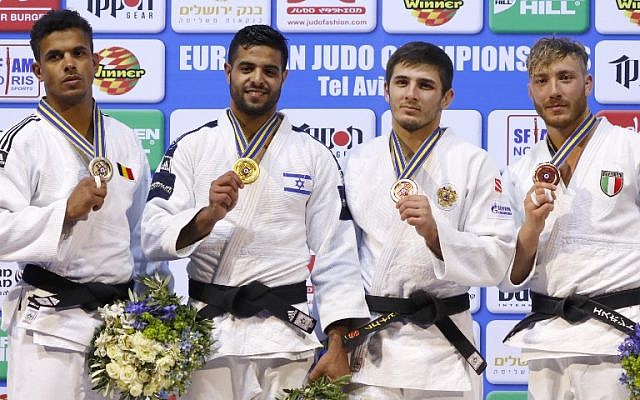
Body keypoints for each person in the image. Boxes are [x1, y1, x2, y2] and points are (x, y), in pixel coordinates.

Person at [141, 24, 370, 400]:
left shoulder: (313, 155)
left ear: (284, 77)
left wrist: (337, 341)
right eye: (247, 68)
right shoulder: (191, 147)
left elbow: (336, 253)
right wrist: (207, 217)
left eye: (269, 70)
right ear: (228, 70)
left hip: (284, 337)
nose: (257, 79)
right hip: (207, 338)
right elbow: (152, 234)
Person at [0, 9, 162, 399]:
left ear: (95, 61)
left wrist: (156, 308)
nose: (69, 63)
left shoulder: (124, 140)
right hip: (49, 326)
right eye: (55, 57)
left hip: (121, 331)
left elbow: (140, 234)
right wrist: (63, 213)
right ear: (38, 71)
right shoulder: (22, 141)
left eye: (78, 53)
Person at [342, 41, 514, 400]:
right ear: (385, 89)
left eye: (425, 85)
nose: (411, 94)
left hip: (441, 349)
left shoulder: (474, 163)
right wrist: (334, 337)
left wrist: (438, 235)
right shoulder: (358, 162)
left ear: (447, 97)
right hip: (372, 349)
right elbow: (338, 259)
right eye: (402, 82)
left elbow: (498, 258)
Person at [500, 37, 640, 399]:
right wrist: (531, 227)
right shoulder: (520, 171)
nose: (554, 91)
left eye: (565, 77)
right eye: (542, 80)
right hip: (547, 340)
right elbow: (512, 272)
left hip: (619, 336)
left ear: (588, 83)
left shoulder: (630, 149)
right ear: (530, 89)